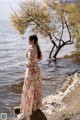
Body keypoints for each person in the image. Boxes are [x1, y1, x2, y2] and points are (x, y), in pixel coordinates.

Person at [17, 34, 42, 120]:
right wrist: (34, 62)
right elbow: (40, 59)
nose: (28, 41)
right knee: (35, 88)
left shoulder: (31, 49)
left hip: (31, 71)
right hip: (37, 70)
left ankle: (28, 108)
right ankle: (35, 105)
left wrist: (26, 63)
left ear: (32, 40)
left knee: (29, 88)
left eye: (29, 40)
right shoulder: (37, 48)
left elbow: (30, 61)